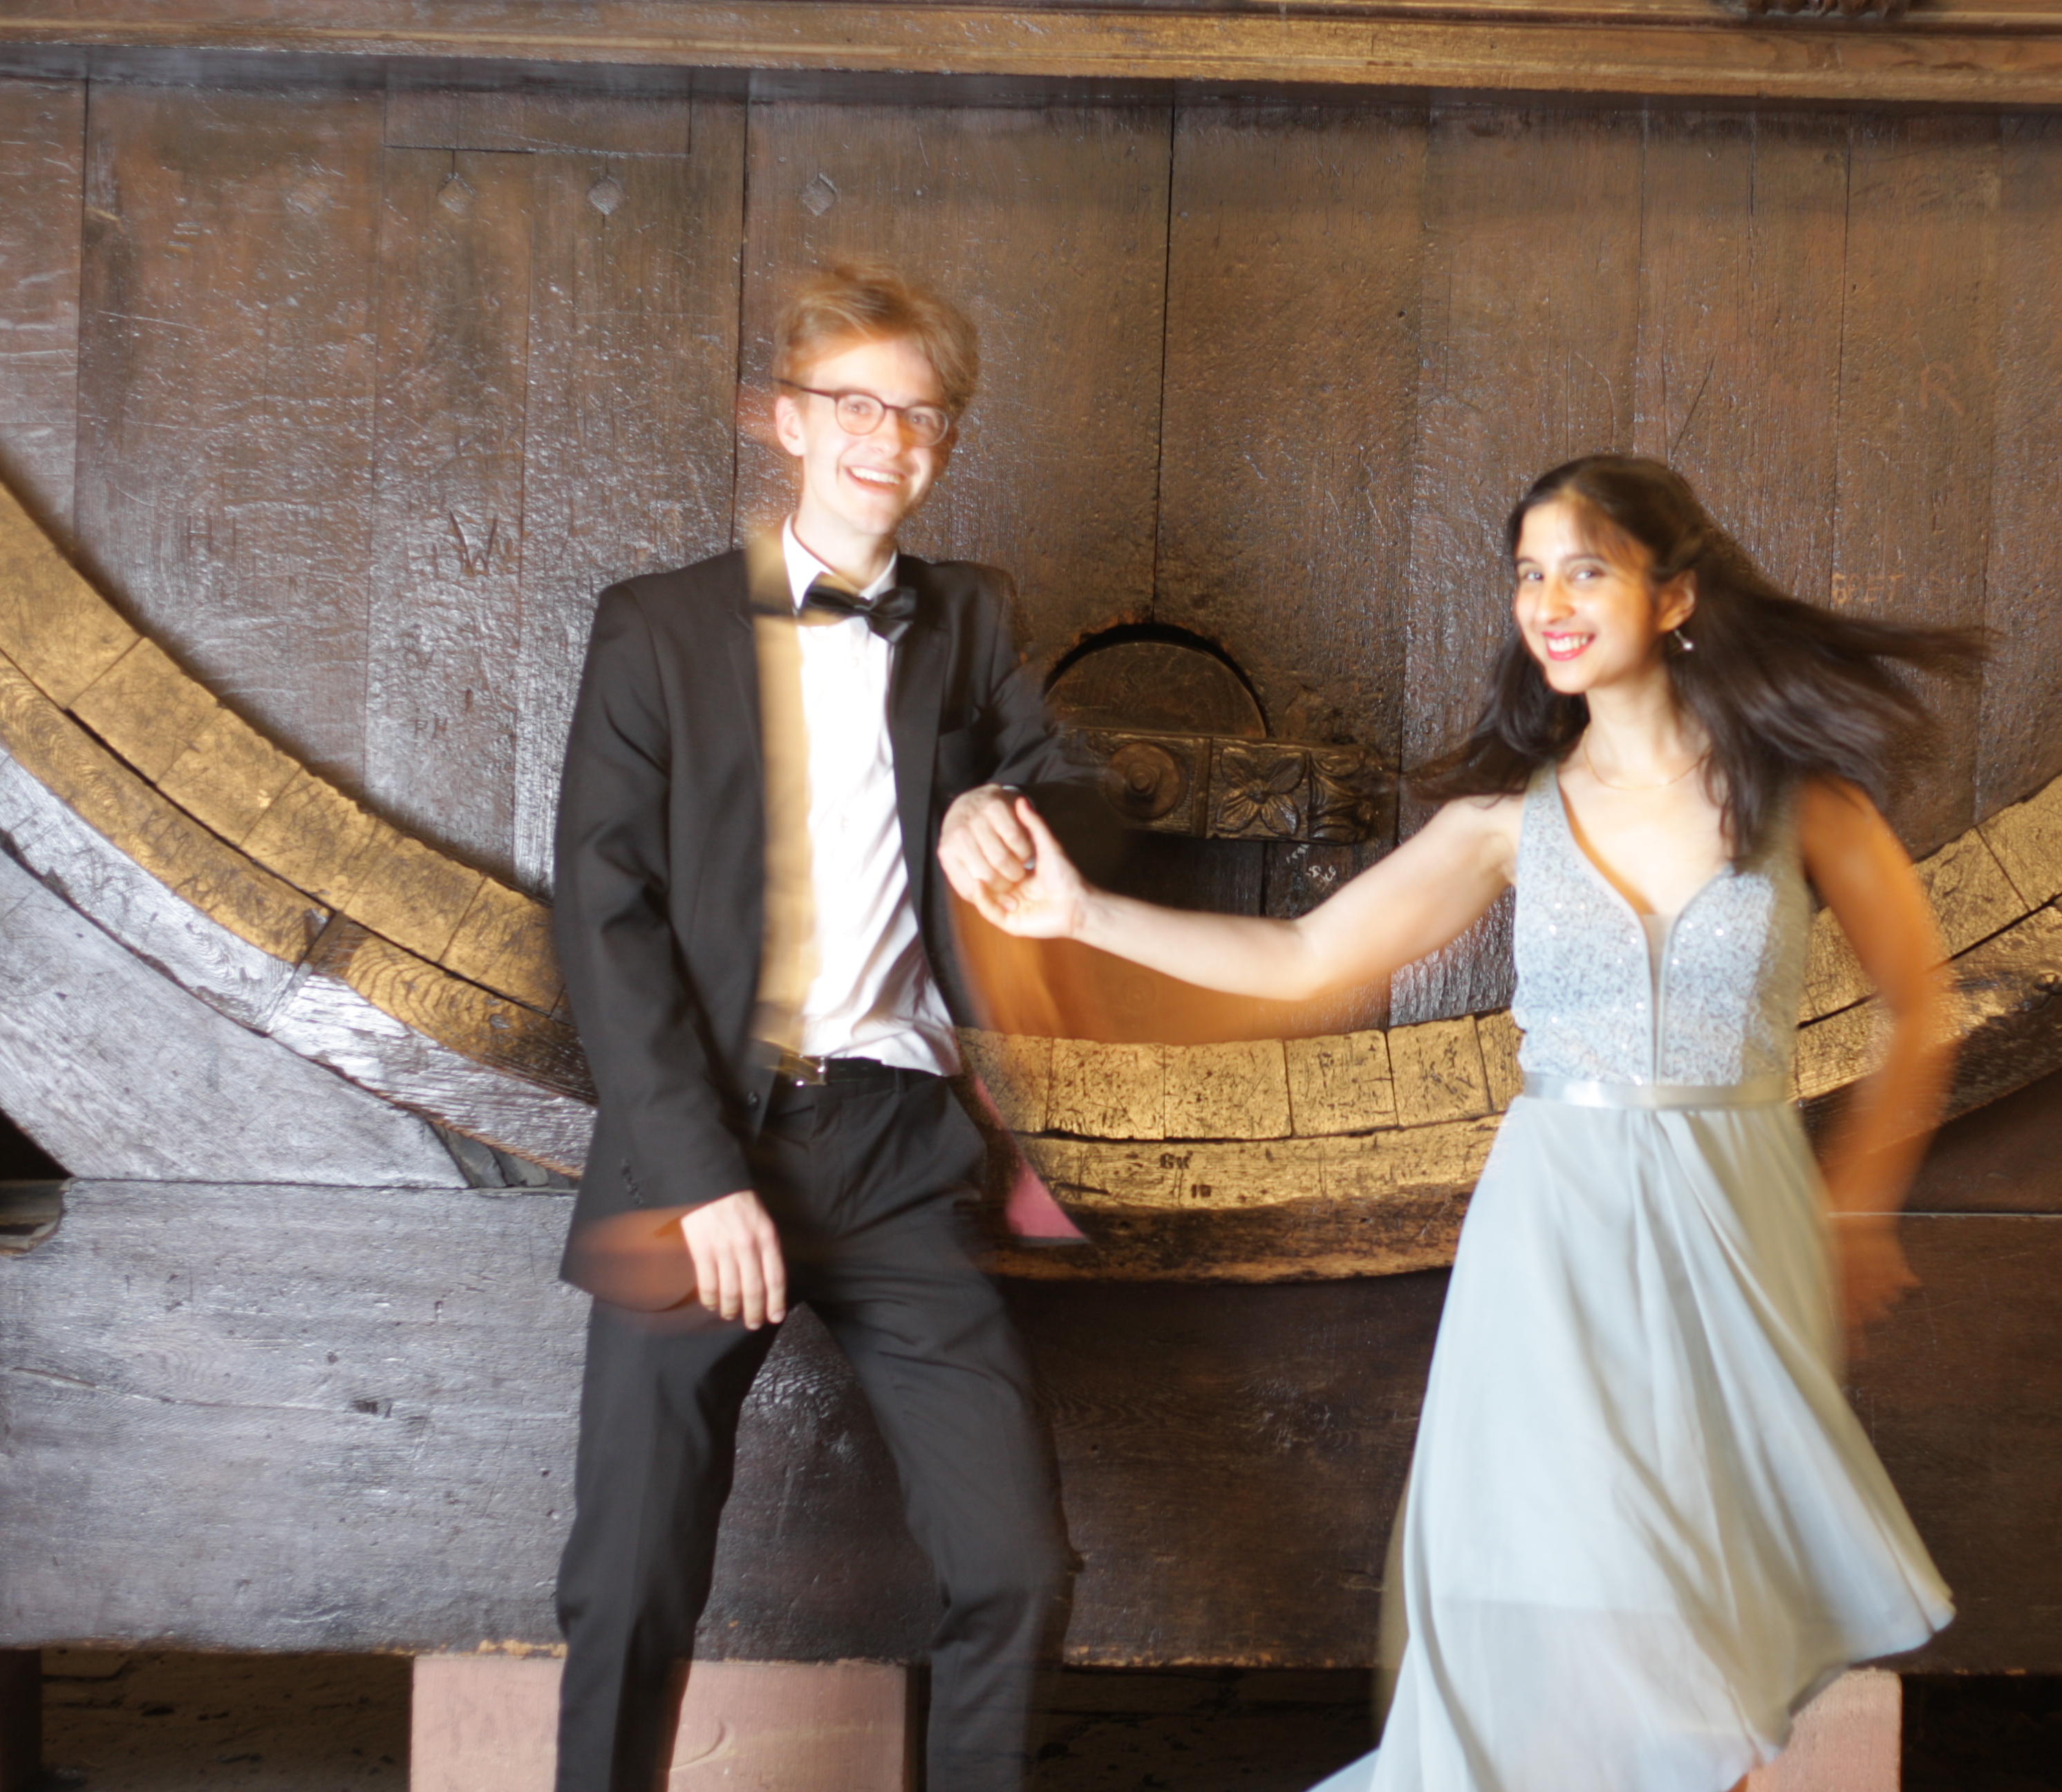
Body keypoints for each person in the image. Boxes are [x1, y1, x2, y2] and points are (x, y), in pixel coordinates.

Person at [955, 454, 1971, 1792]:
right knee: (1555, 1581)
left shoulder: (1799, 801)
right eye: (1529, 574)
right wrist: (1079, 915)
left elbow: (1924, 1007)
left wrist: (1859, 1210)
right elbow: (1306, 959)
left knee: (1708, 1628)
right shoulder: (1508, 821)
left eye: (1584, 570)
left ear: (1674, 597)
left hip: (1742, 1229)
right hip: (1555, 1231)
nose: (1548, 602)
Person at [547, 261, 1098, 1792]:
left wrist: (1006, 801)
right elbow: (604, 918)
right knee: (630, 1580)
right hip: (694, 1148)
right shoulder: (654, 628)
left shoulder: (971, 616)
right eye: (856, 405)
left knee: (1017, 1566)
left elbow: (1083, 784)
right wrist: (699, 1178)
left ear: (946, 443)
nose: (888, 439)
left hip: (895, 1148)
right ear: (784, 421)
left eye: (921, 416)